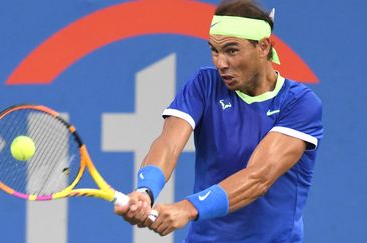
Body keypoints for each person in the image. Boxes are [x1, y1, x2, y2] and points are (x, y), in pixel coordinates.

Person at [114, 0, 324, 242]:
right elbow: (169, 143)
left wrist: (187, 208)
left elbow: (258, 177)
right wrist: (145, 190)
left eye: (231, 50)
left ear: (263, 47)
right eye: (214, 50)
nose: (220, 63)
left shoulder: (300, 104)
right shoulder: (205, 84)